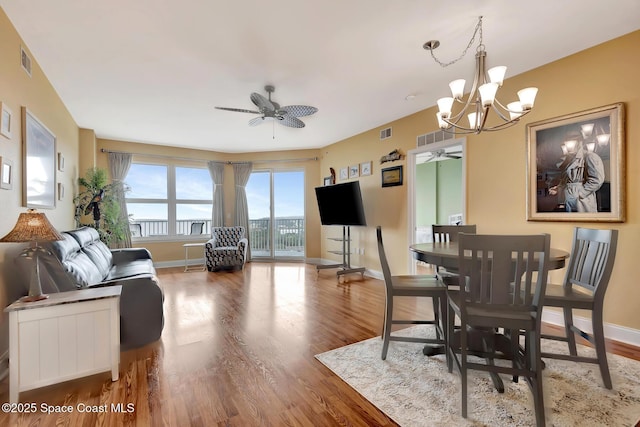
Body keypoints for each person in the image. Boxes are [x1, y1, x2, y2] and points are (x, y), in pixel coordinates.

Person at [548, 131, 605, 212]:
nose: (568, 146)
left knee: (584, 223)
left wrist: (580, 194)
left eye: (571, 143)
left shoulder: (590, 156)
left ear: (579, 143)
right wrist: (558, 188)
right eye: (566, 144)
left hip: (582, 201)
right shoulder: (569, 160)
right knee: (571, 223)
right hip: (569, 200)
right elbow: (567, 180)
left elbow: (597, 180)